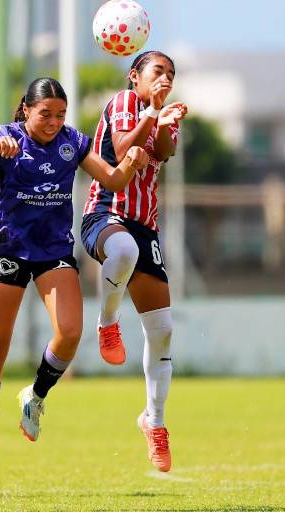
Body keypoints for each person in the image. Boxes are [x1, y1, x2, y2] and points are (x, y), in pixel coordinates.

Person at [0, 77, 148, 490]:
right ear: (25, 110)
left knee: (70, 332)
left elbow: (114, 180)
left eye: (60, 114)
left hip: (53, 252)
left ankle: (34, 395)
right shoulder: (7, 136)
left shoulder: (72, 141)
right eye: (45, 114)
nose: (53, 122)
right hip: (8, 251)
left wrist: (133, 161)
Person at [81, 50, 188, 473]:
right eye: (158, 71)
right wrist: (152, 112)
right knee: (122, 251)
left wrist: (163, 119)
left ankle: (154, 422)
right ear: (134, 76)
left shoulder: (162, 113)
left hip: (145, 225)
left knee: (162, 332)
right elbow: (123, 147)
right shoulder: (124, 104)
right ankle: (108, 321)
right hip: (106, 213)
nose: (166, 78)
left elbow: (163, 152)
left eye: (171, 74)